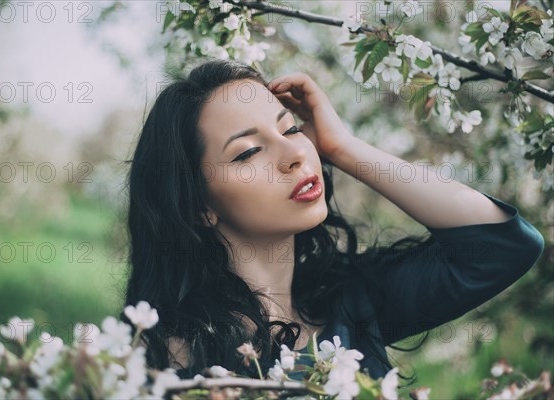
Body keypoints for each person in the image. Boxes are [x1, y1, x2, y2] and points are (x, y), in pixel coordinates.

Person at [123, 59, 545, 384]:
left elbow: (504, 245)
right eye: (249, 152)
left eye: (289, 130)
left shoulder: (353, 305)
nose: (294, 155)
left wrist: (343, 147)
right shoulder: (174, 361)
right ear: (198, 206)